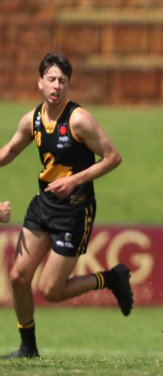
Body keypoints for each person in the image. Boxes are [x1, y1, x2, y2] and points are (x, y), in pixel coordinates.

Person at [0, 52, 132, 359]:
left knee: (51, 291)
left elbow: (113, 157)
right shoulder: (31, 120)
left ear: (68, 86)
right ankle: (27, 347)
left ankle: (111, 278)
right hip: (42, 206)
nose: (56, 85)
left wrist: (75, 180)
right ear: (40, 83)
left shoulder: (79, 120)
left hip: (74, 211)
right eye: (51, 79)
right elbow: (8, 151)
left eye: (62, 80)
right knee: (18, 277)